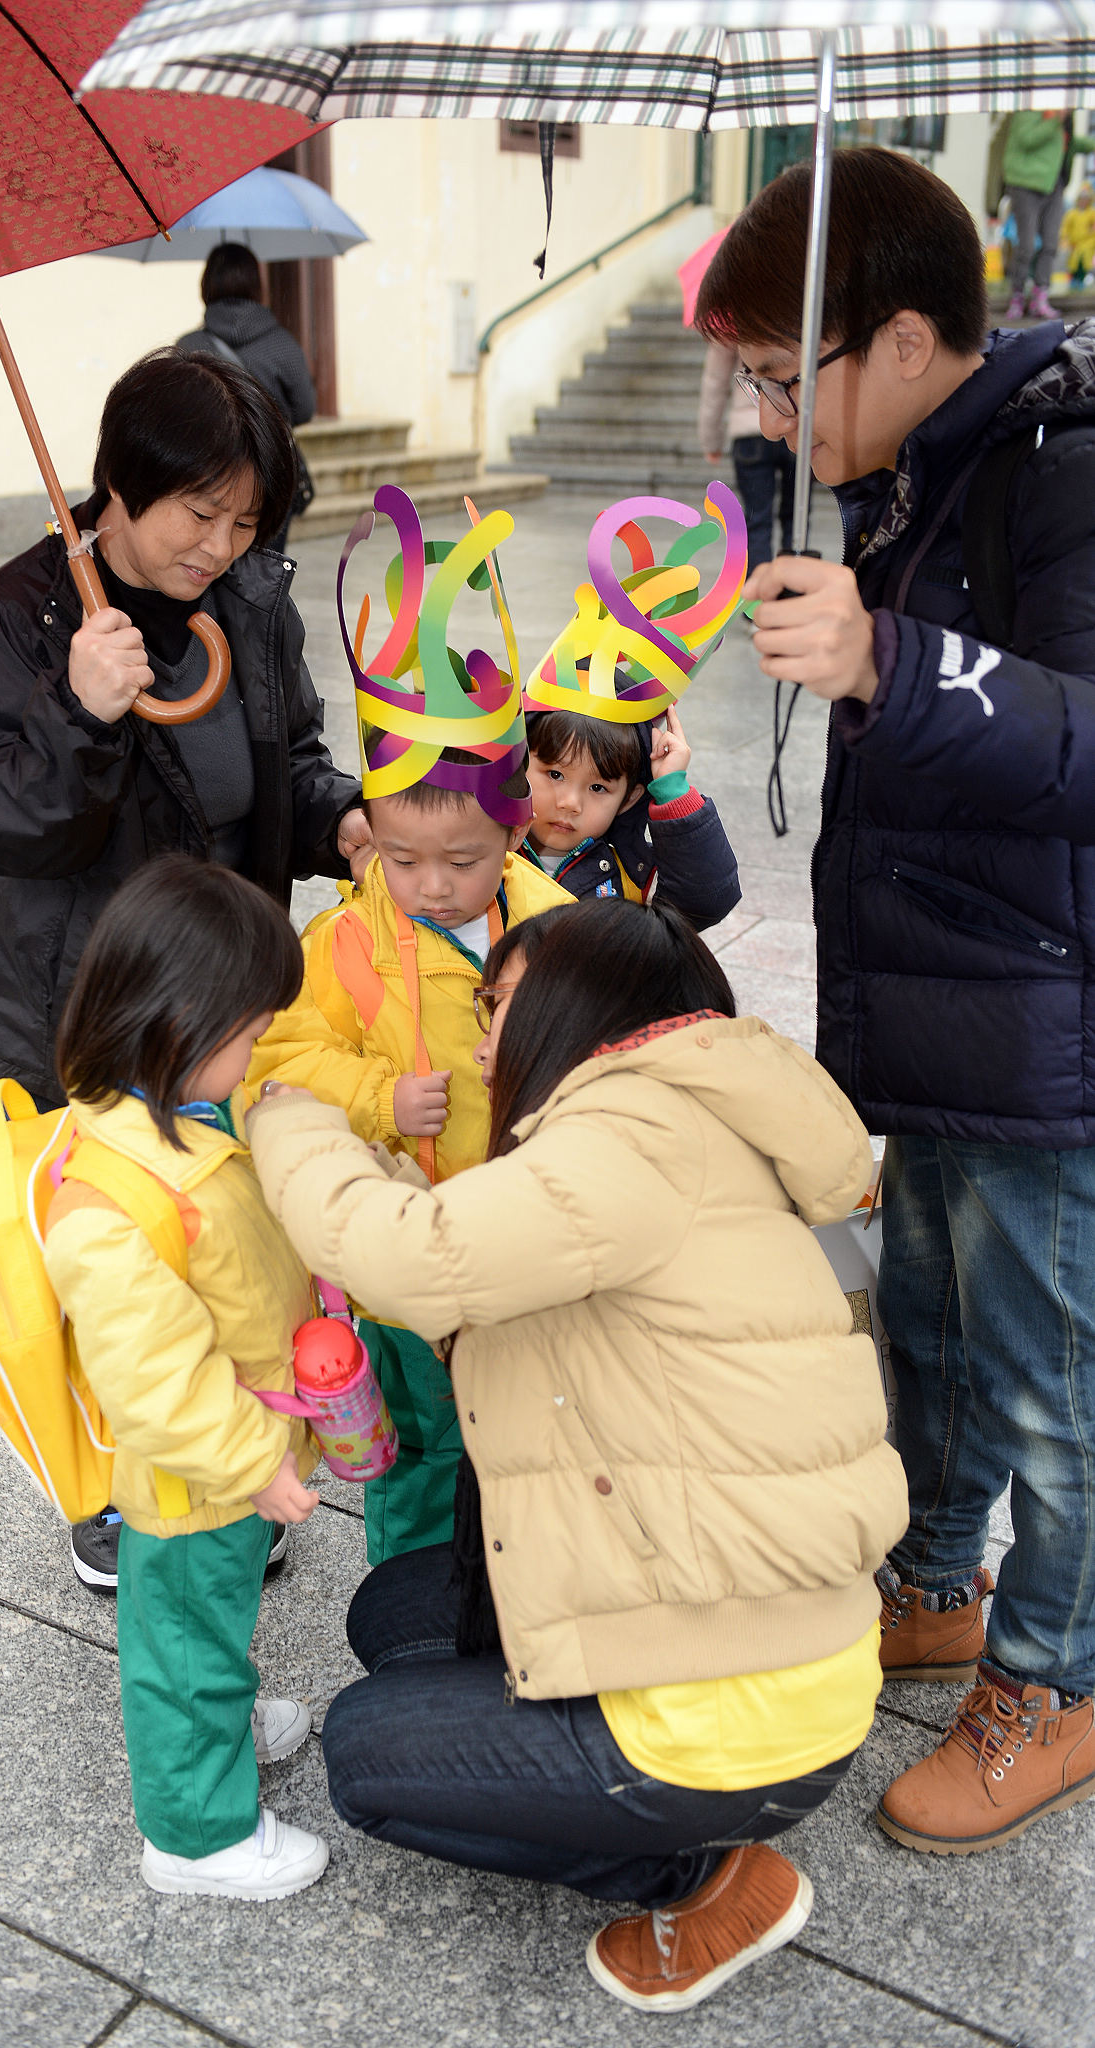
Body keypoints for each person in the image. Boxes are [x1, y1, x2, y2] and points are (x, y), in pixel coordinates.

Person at [244, 896, 906, 2012]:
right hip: (766, 1630)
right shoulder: (680, 1122)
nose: (482, 1044)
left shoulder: (633, 1134)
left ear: (585, 1005)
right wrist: (386, 1174)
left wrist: (290, 1121)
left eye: (499, 1006)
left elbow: (416, 1260)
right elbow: (486, 1287)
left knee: (363, 1755)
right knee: (394, 1615)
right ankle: (613, 1776)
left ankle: (698, 1877)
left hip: (736, 1703)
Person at [697, 144, 1095, 1854]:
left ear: (910, 341)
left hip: (1038, 1023)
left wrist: (889, 657)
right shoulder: (911, 474)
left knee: (1047, 1381)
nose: (770, 415)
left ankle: (1055, 1677)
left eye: (785, 377)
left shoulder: (1061, 470)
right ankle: (933, 1582)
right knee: (923, 1328)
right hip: (931, 997)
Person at [0, 347, 367, 1593]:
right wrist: (78, 712)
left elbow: (286, 759)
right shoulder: (12, 619)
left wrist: (340, 818)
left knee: (213, 1244)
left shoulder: (250, 600)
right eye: (198, 512)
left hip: (214, 1003)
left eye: (247, 520)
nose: (220, 546)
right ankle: (116, 1491)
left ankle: (229, 1457)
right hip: (81, 1004)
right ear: (119, 484)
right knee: (110, 1260)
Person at [41, 856, 328, 1900]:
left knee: (215, 1620)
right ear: (178, 1025)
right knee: (182, 1645)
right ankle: (196, 1834)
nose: (256, 1055)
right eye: (249, 1035)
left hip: (232, 1460)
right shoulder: (109, 1200)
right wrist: (256, 1465)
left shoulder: (182, 1114)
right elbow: (156, 1381)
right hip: (195, 1478)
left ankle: (227, 1718)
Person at [245, 741, 570, 1565]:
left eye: (461, 862)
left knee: (523, 1428)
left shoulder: (555, 923)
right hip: (408, 1254)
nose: (431, 885)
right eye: (401, 859)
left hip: (523, 1243)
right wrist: (378, 1096)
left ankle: (510, 1579)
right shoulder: (344, 943)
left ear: (515, 833)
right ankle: (414, 1595)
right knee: (425, 1445)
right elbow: (275, 1061)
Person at [523, 703, 740, 926]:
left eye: (598, 788)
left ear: (629, 798)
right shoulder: (499, 855)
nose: (570, 803)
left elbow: (705, 905)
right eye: (555, 775)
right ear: (519, 764)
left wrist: (672, 789)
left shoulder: (632, 876)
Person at [177, 243, 316, 552]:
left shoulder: (188, 347)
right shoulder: (283, 344)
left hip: (207, 477)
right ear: (257, 286)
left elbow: (179, 417)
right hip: (270, 473)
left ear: (206, 286)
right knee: (266, 566)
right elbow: (306, 409)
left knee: (211, 561)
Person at [699, 338, 797, 570]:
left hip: (749, 429)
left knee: (757, 520)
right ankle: (793, 587)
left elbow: (715, 382)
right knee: (796, 519)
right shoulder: (799, 316)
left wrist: (711, 440)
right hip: (793, 422)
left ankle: (759, 590)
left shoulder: (729, 323)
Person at [997, 110, 1095, 320]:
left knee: (1050, 244)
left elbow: (1069, 144)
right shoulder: (1031, 109)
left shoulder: (1063, 118)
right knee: (1027, 245)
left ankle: (1040, 297)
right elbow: (1026, 139)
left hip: (1054, 184)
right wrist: (1056, 120)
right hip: (1026, 183)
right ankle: (1017, 297)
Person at [1062, 183, 1095, 286]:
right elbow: (1065, 227)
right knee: (1073, 263)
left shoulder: (1091, 213)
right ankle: (1073, 279)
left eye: (1086, 199)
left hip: (1087, 242)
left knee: (1084, 261)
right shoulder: (1072, 213)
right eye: (1082, 199)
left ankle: (1082, 278)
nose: (1083, 202)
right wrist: (1065, 238)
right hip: (1074, 243)